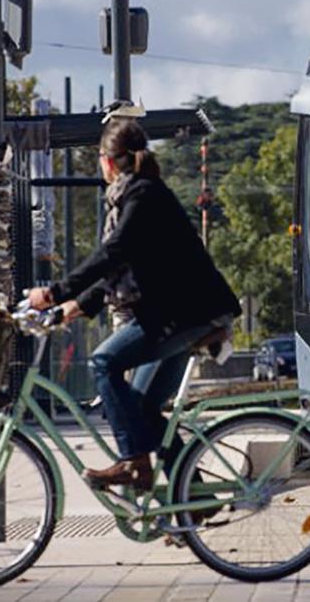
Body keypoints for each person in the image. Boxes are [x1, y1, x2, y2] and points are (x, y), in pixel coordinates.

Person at [29, 118, 241, 490]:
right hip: (179, 314)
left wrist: (54, 292)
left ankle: (132, 462)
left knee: (104, 361)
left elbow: (114, 253)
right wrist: (70, 307)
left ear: (108, 161)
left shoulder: (142, 195)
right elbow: (120, 268)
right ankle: (192, 497)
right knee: (143, 408)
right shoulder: (137, 194)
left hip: (184, 315)